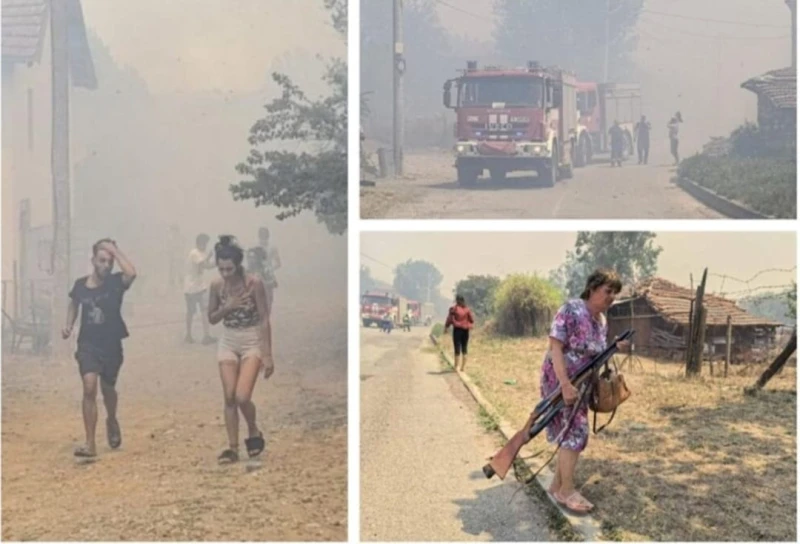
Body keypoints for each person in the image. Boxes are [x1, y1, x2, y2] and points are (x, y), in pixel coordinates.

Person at [541, 269, 629, 515]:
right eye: (607, 291)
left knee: (571, 430)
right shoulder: (571, 309)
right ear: (592, 288)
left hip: (583, 384)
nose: (611, 297)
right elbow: (555, 348)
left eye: (615, 293)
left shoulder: (601, 321)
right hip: (560, 380)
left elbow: (595, 356)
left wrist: (613, 348)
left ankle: (558, 485)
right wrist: (565, 385)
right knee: (575, 430)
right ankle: (566, 490)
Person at [62, 239, 137, 458]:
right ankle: (90, 443)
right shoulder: (80, 285)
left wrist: (117, 250)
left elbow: (131, 273)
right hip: (88, 344)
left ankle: (111, 418)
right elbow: (74, 304)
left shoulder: (115, 282)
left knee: (108, 389)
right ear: (93, 260)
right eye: (102, 260)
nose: (106, 265)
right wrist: (68, 325)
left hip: (112, 344)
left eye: (110, 261)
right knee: (89, 387)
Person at [207, 235, 273, 464]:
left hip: (251, 339)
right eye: (221, 268)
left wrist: (267, 354)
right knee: (228, 396)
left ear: (238, 265)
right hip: (228, 340)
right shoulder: (216, 285)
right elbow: (212, 318)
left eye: (229, 268)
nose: (225, 273)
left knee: (242, 396)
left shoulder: (254, 283)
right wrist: (228, 307)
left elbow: (264, 318)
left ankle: (253, 430)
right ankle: (233, 447)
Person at [184, 234, 216, 345]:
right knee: (191, 312)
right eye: (204, 243)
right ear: (199, 243)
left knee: (204, 311)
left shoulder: (202, 253)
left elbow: (207, 266)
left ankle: (206, 335)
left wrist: (218, 262)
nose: (205, 246)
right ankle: (188, 335)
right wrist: (210, 257)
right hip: (191, 288)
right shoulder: (194, 253)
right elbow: (202, 266)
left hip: (200, 286)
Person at [444, 295, 474, 372]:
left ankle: (456, 367)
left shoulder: (454, 309)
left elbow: (449, 319)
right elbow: (471, 320)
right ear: (463, 301)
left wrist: (446, 327)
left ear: (457, 300)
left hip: (457, 330)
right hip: (465, 330)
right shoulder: (467, 309)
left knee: (457, 347)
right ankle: (463, 367)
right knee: (464, 347)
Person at [255, 227, 281, 316]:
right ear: (259, 236)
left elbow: (278, 263)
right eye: (261, 236)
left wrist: (270, 269)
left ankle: (266, 319)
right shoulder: (255, 248)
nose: (263, 238)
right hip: (257, 276)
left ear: (268, 236)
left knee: (269, 299)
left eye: (265, 236)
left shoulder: (272, 248)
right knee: (258, 298)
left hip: (269, 277)